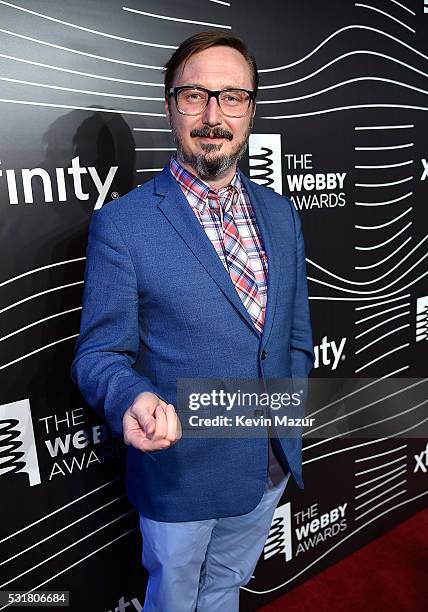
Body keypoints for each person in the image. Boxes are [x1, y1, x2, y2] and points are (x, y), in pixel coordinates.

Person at [71, 31, 314, 612]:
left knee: (227, 587)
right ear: (169, 106)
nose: (213, 114)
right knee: (175, 599)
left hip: (268, 461)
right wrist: (131, 397)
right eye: (195, 95)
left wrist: (289, 405)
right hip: (180, 470)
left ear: (250, 110)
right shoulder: (123, 226)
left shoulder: (280, 213)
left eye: (232, 96)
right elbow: (98, 356)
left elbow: (296, 337)